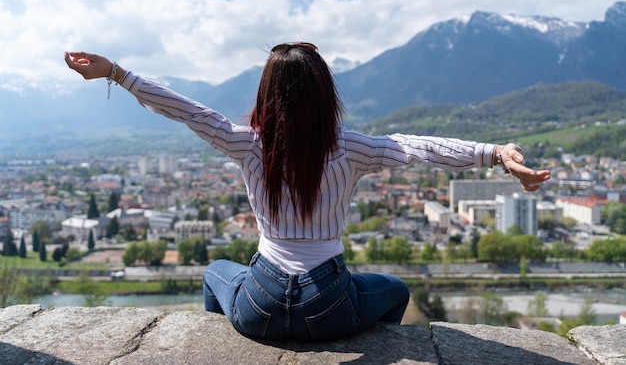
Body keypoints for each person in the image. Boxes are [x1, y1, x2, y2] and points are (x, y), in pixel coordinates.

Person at [65, 44, 550, 341]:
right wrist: (495, 153)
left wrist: (116, 73)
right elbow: (418, 146)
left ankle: (225, 343)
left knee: (215, 270)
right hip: (331, 306)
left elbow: (190, 111)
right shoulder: (353, 149)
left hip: (258, 306)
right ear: (325, 95)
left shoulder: (246, 143)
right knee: (395, 291)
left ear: (266, 93)